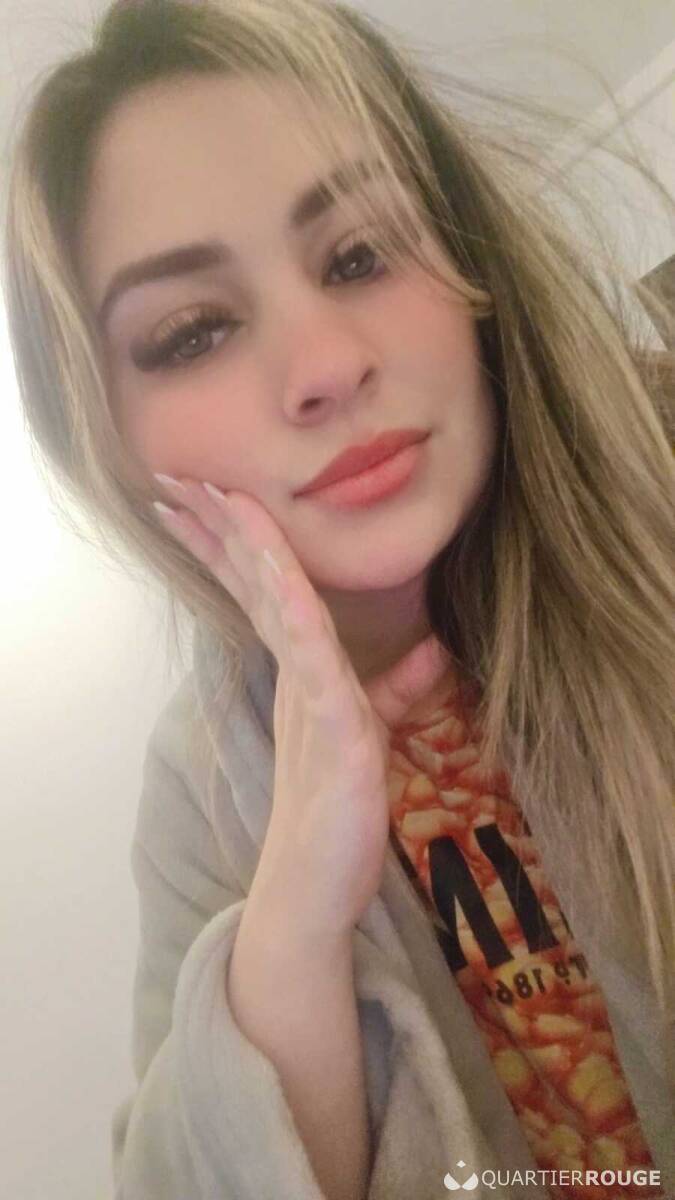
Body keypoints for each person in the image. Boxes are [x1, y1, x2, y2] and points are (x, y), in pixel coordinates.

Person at [3, 1, 674, 1198]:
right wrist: (297, 914)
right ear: (110, 441)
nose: (325, 365)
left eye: (359, 256)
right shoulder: (204, 787)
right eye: (192, 332)